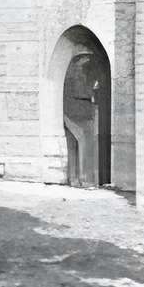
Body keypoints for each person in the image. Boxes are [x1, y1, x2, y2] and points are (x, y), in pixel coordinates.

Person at [61, 47, 106, 187]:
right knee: (87, 145)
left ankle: (74, 179)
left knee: (72, 147)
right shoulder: (82, 68)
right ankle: (86, 180)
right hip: (81, 114)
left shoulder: (68, 69)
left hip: (68, 112)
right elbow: (82, 92)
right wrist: (94, 91)